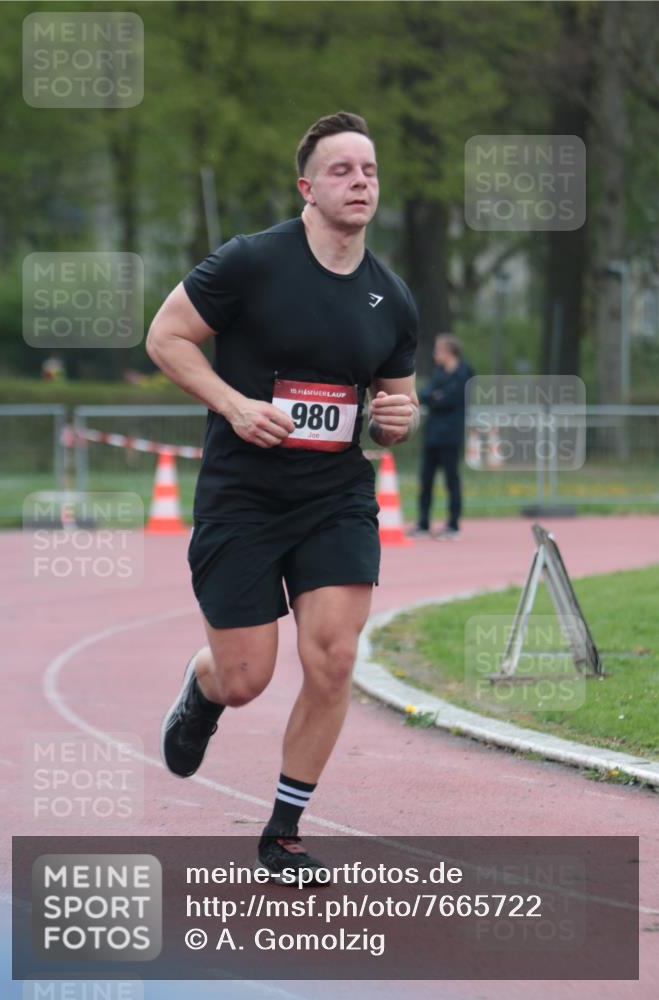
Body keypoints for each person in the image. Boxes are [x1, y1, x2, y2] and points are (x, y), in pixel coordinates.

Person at [146, 111, 419, 883]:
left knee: (332, 657)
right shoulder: (250, 263)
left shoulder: (391, 298)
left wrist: (398, 417)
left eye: (368, 170)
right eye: (341, 170)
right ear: (306, 187)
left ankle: (284, 832)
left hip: (333, 495)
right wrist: (234, 405)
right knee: (245, 678)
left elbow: (392, 413)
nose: (359, 181)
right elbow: (165, 337)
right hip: (243, 494)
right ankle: (202, 692)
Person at [411, 334, 473, 540]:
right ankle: (423, 522)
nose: (435, 354)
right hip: (433, 435)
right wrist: (436, 396)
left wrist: (437, 397)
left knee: (451, 480)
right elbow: (425, 394)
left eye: (438, 350)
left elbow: (451, 399)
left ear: (449, 351)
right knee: (426, 479)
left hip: (450, 435)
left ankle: (453, 524)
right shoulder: (438, 373)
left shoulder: (464, 373)